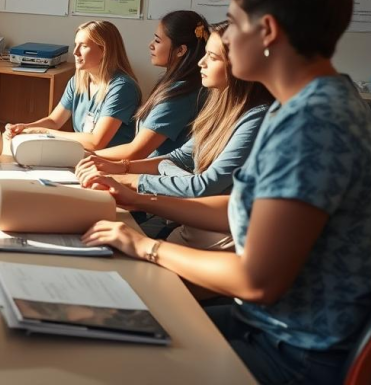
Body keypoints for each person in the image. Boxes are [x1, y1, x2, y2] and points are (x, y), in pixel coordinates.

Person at [82, 0, 371, 385]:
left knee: (105, 353)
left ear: (268, 32)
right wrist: (138, 198)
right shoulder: (305, 104)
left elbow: (256, 280)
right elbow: (245, 207)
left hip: (293, 354)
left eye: (234, 23)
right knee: (110, 319)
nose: (217, 42)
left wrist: (144, 246)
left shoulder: (314, 123)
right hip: (266, 328)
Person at [75, 21, 273, 250]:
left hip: (219, 235)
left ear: (241, 65)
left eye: (213, 57)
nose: (202, 62)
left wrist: (129, 179)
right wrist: (122, 168)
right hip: (192, 222)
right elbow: (178, 157)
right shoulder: (219, 107)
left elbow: (204, 186)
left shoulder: (256, 117)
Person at [5, 21, 141, 151]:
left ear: (104, 51)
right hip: (83, 156)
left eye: (84, 46)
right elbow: (54, 121)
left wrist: (43, 132)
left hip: (110, 163)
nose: (75, 52)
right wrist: (24, 128)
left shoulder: (122, 88)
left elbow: (96, 142)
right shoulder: (77, 81)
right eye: (75, 44)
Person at [95, 10, 207, 161]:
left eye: (158, 41)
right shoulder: (175, 84)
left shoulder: (179, 94)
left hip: (159, 175)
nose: (151, 45)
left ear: (180, 50)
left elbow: (136, 152)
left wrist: (84, 156)